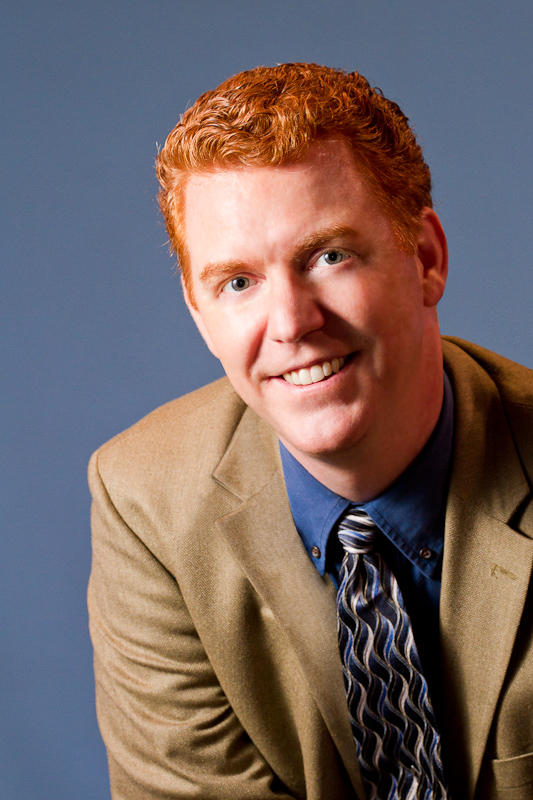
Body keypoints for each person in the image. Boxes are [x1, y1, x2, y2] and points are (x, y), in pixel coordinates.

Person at [88, 63, 533, 800]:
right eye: (237, 282)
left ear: (424, 259)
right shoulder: (147, 503)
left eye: (328, 256)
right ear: (199, 314)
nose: (291, 323)